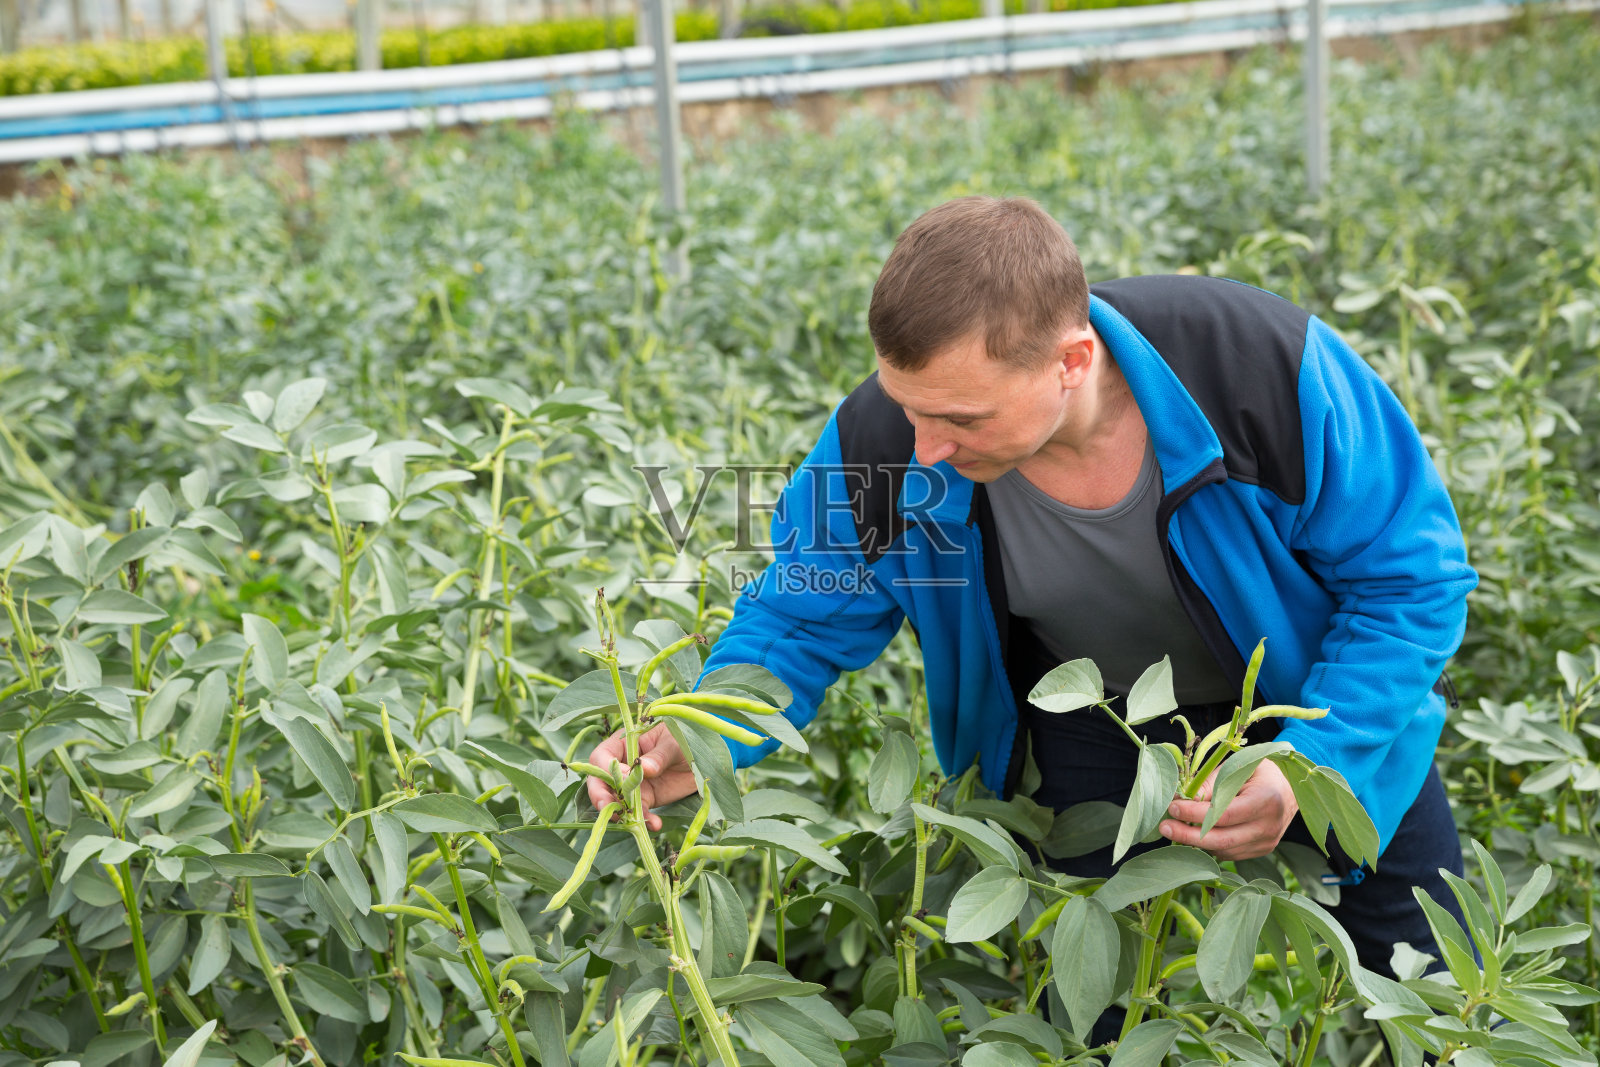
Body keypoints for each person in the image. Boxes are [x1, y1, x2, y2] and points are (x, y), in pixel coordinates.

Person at [585, 195, 1478, 984]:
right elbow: (797, 614)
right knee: (1091, 1008)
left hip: (1323, 706)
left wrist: (1314, 765)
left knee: (1435, 986)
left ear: (1072, 359)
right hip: (1094, 721)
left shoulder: (1260, 371)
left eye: (963, 418)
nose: (925, 446)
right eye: (911, 406)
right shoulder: (885, 442)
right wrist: (695, 735)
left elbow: (1411, 584)